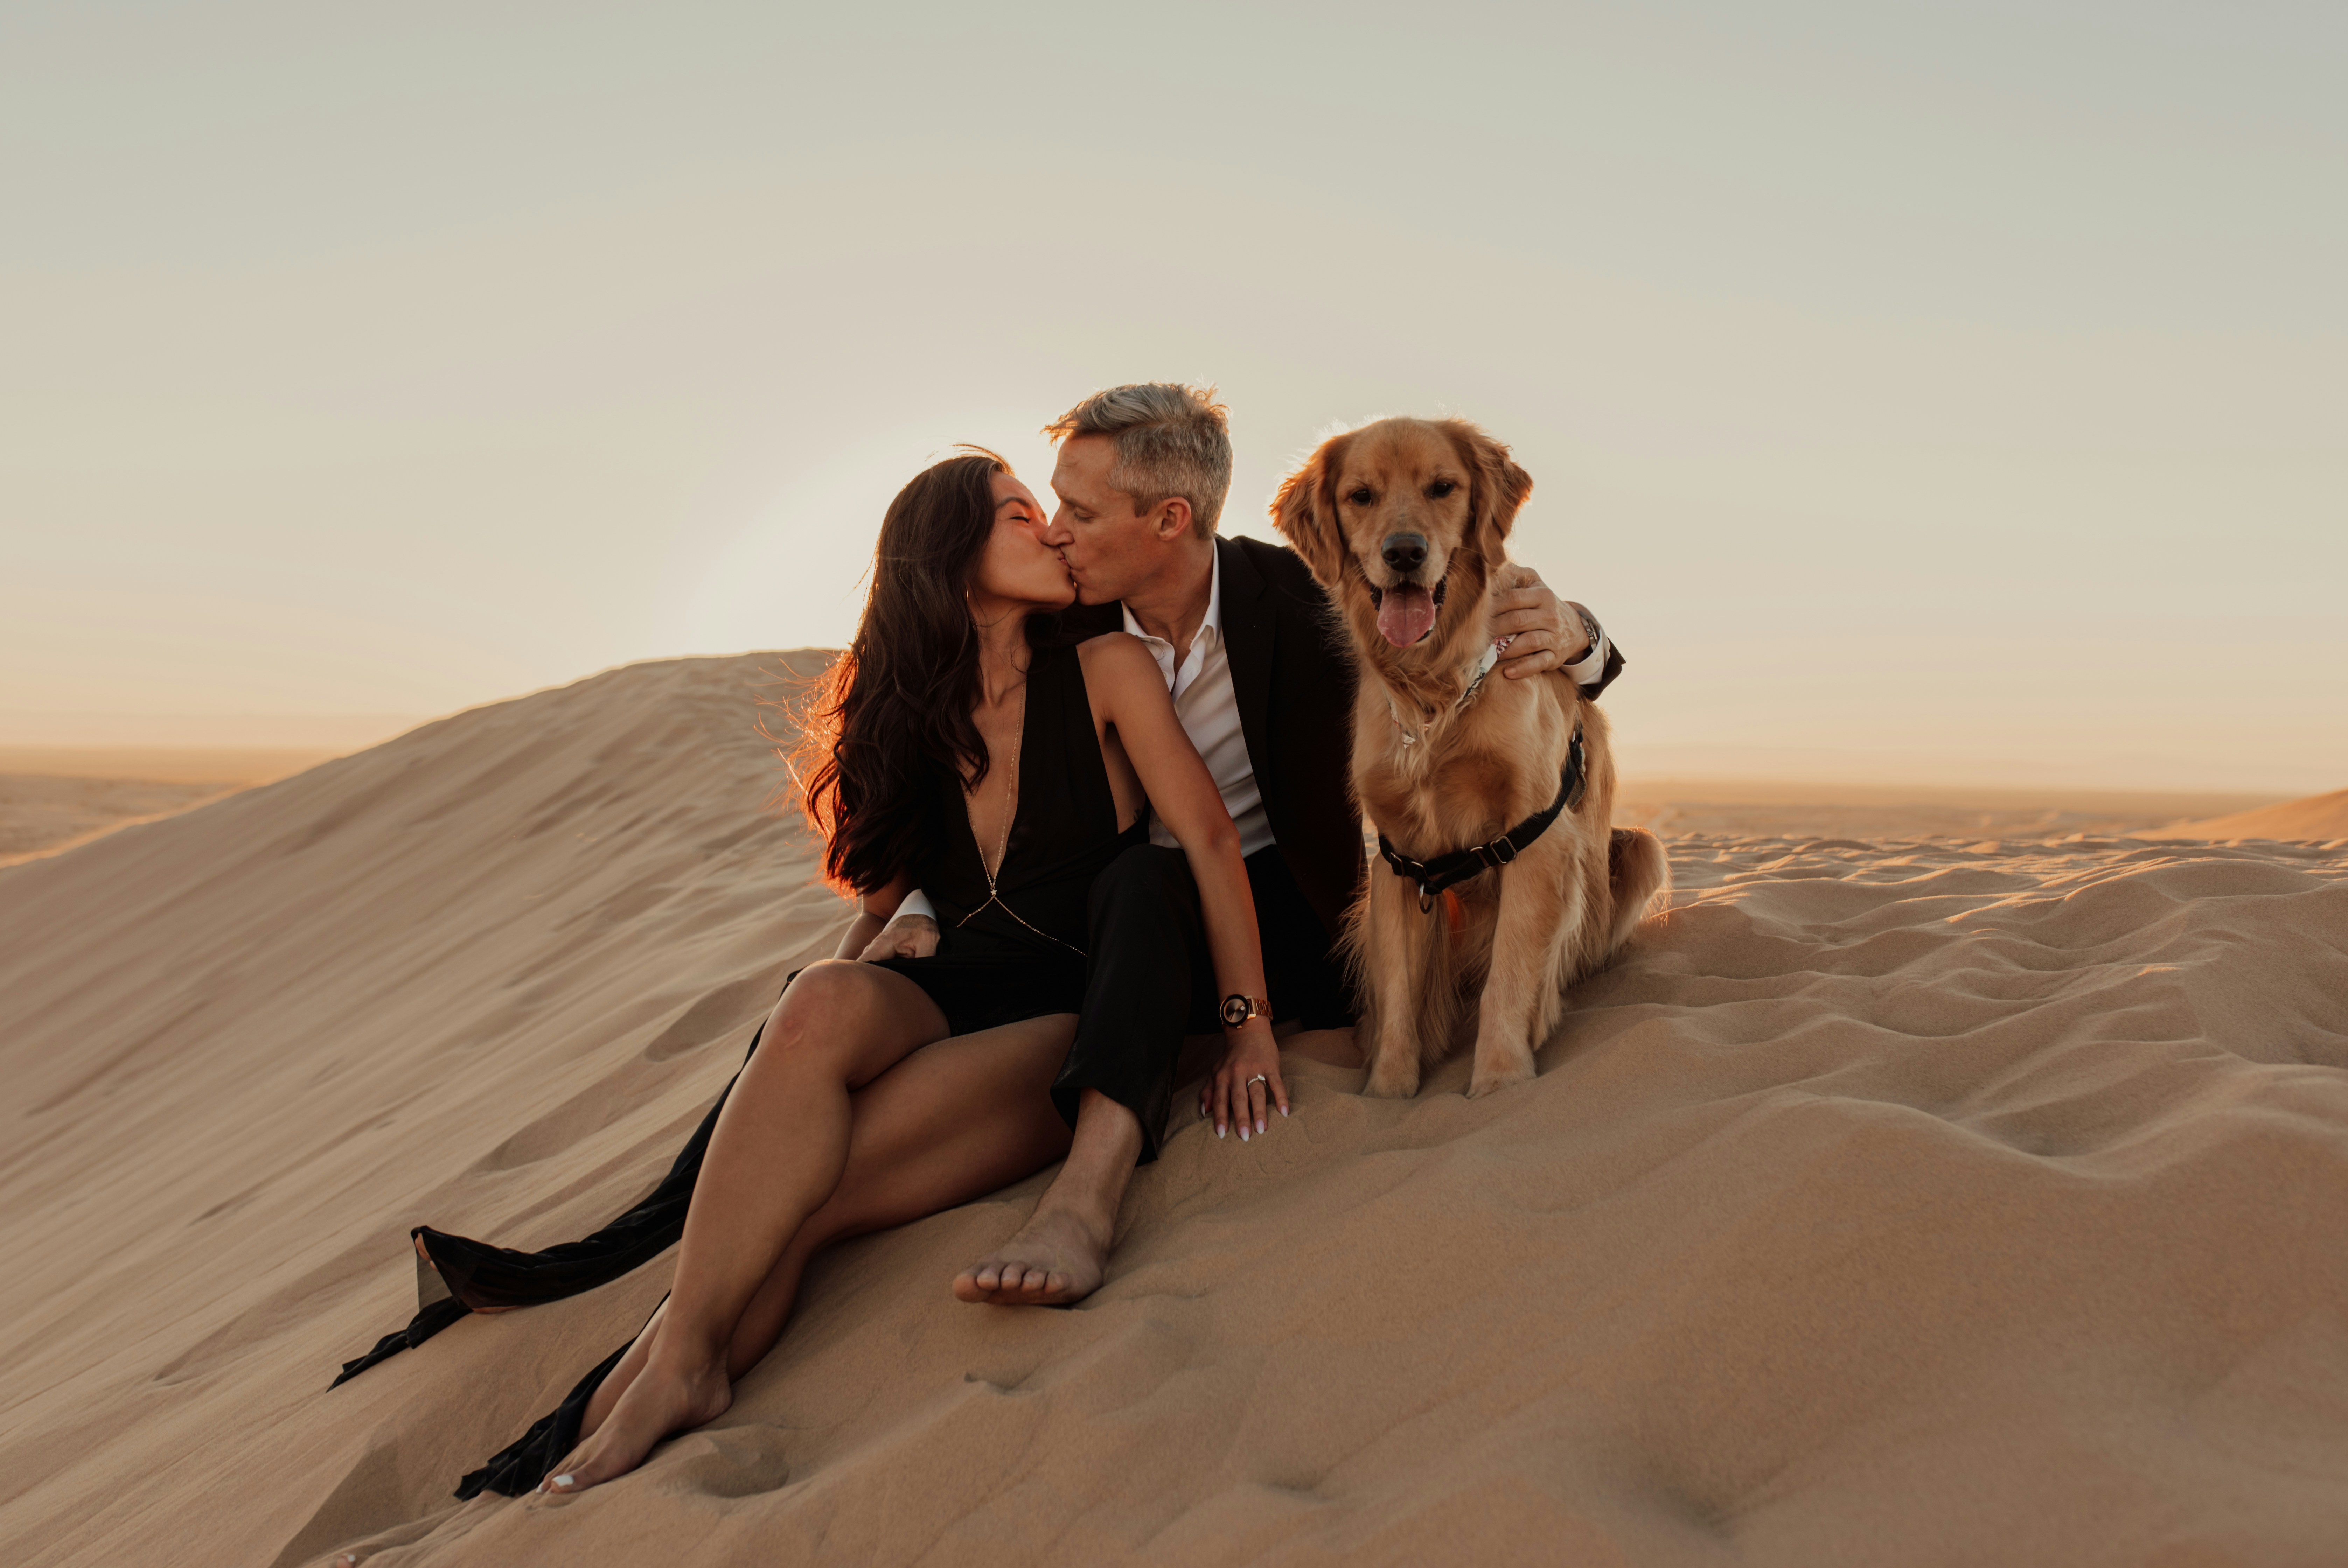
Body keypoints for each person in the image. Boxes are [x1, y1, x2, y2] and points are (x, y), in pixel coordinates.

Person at [327, 447, 1284, 1514]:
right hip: (952, 988)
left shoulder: (1108, 670)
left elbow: (1201, 842)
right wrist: (792, 1055)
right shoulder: (914, 717)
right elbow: (876, 910)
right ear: (956, 557)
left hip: (1063, 1007)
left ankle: (621, 1408)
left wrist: (1247, 1024)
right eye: (1023, 514)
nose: (1053, 530)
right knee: (821, 1002)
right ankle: (671, 1372)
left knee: (806, 1203)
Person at [866, 385, 1624, 1308]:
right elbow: (947, 750)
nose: (1057, 531)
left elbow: (1473, 625)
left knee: (1147, 883)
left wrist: (1579, 636)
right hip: (1110, 934)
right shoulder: (1067, 618)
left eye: (1081, 509)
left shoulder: (1310, 602)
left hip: (1288, 922)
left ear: (1169, 519)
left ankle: (1086, 1198)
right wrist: (910, 902)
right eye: (1049, 507)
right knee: (862, 1008)